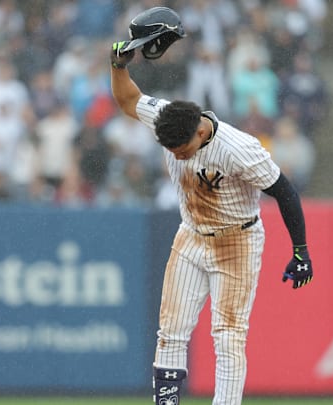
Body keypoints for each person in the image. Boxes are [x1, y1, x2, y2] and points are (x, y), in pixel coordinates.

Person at [110, 37, 315, 405]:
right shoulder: (172, 118)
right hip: (191, 233)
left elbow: (285, 192)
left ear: (201, 132)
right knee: (170, 332)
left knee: (229, 335)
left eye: (182, 149)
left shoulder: (240, 149)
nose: (177, 155)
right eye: (171, 149)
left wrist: (300, 250)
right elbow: (128, 100)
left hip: (237, 240)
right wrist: (118, 65)